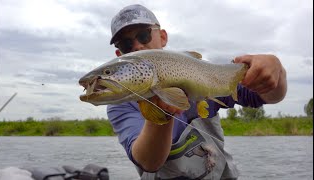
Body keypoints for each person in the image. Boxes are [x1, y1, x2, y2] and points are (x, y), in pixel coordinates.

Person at [107, 4, 287, 180]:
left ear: (162, 37)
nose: (137, 46)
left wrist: (276, 70)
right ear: (119, 55)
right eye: (126, 44)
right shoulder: (119, 104)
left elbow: (267, 96)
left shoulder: (200, 74)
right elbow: (148, 162)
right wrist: (163, 114)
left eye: (144, 35)